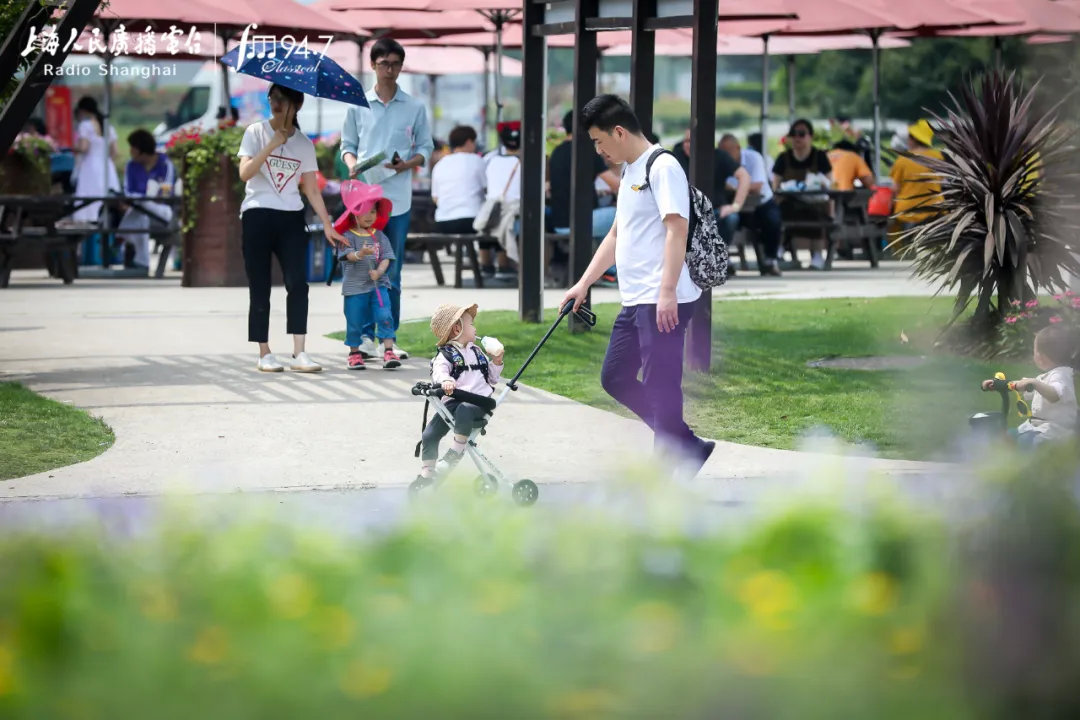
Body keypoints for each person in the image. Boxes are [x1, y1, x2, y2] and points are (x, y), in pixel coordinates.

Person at [561, 94, 715, 477]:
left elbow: (676, 229)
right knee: (614, 376)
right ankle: (684, 443)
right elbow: (617, 234)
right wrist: (583, 284)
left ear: (618, 131)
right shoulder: (631, 169)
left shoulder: (663, 168)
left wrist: (667, 294)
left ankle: (667, 469)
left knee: (663, 384)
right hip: (637, 299)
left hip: (663, 298)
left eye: (599, 141)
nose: (598, 150)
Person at [238, 83, 345, 373]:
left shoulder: (304, 144)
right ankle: (264, 352)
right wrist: (272, 144)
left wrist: (327, 224)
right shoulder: (255, 132)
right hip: (257, 214)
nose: (276, 103)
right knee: (260, 287)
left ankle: (300, 352)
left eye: (283, 99)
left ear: (296, 105)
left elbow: (311, 189)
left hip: (291, 217)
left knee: (298, 283)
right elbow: (245, 173)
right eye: (273, 98)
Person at [341, 37, 434, 361]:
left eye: (395, 64)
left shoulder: (414, 106)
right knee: (362, 267)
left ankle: (388, 339)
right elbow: (347, 145)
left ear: (401, 66)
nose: (390, 70)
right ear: (373, 65)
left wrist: (407, 164)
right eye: (384, 64)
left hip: (398, 199)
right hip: (363, 200)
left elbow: (425, 148)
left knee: (391, 269)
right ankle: (365, 337)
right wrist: (353, 166)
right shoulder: (357, 104)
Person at [419, 303, 505, 480]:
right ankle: (427, 474)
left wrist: (496, 362)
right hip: (452, 403)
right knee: (429, 434)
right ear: (457, 328)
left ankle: (455, 453)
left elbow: (492, 379)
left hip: (477, 404)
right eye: (471, 324)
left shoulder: (478, 352)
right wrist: (446, 381)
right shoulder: (446, 355)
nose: (475, 328)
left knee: (464, 410)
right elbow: (439, 371)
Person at [332, 181, 401, 371]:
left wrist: (379, 271)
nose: (370, 216)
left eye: (373, 211)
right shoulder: (347, 236)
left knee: (384, 315)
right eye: (365, 211)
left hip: (378, 286)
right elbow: (347, 256)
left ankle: (388, 350)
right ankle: (354, 353)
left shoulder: (379, 236)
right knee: (355, 320)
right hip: (355, 288)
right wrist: (360, 254)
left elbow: (387, 256)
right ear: (354, 212)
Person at [548, 110, 621, 283]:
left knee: (607, 220)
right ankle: (610, 271)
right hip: (579, 222)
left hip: (559, 222)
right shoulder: (585, 151)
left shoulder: (557, 152)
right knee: (618, 215)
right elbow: (617, 185)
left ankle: (605, 269)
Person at [981, 325, 1078, 447]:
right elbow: (1020, 385)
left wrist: (1035, 383)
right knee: (1009, 436)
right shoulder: (1044, 377)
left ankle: (1033, 463)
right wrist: (998, 383)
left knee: (1026, 441)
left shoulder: (1062, 375)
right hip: (1036, 426)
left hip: (1057, 429)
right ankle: (1008, 461)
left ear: (1040, 357)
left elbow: (1054, 395)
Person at [669, 128, 750, 252]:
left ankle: (720, 255)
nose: (686, 145)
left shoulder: (720, 156)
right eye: (685, 141)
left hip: (715, 211)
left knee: (731, 218)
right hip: (685, 212)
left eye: (691, 141)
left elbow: (744, 176)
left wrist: (735, 206)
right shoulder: (677, 156)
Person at [772, 118, 834, 270]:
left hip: (815, 203)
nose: (797, 138)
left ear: (810, 136)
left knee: (816, 214)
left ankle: (817, 255)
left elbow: (830, 184)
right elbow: (775, 186)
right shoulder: (783, 158)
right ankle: (778, 250)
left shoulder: (820, 157)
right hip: (789, 203)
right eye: (794, 134)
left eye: (801, 134)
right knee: (777, 213)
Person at [719, 134, 783, 276]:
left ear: (738, 148)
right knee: (723, 220)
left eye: (728, 151)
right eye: (722, 151)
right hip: (733, 203)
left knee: (773, 219)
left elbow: (757, 186)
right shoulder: (719, 161)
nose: (725, 156)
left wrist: (736, 188)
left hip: (760, 202)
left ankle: (770, 259)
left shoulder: (754, 158)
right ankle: (723, 259)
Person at [116, 129, 177, 271]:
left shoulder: (165, 164)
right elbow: (127, 191)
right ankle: (142, 262)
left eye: (133, 147)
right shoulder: (131, 166)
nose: (130, 151)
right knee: (142, 215)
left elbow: (167, 191)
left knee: (141, 203)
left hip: (162, 211)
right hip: (138, 211)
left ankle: (121, 235)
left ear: (141, 149)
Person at [479, 121, 523, 281]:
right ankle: (506, 265)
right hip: (515, 214)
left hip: (491, 211)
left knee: (491, 219)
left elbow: (484, 186)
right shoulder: (531, 160)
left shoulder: (490, 159)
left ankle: (486, 265)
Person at [69, 96, 119, 224]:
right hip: (107, 165)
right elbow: (115, 152)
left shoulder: (85, 125)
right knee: (106, 195)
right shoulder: (108, 126)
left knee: (89, 197)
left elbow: (84, 148)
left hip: (90, 166)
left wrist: (74, 148)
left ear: (83, 110)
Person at [430, 125, 486, 237]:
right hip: (472, 220)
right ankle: (483, 255)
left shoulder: (440, 164)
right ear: (469, 142)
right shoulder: (477, 160)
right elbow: (487, 189)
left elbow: (435, 198)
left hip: (443, 221)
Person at [890, 119, 943, 228]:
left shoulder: (903, 160)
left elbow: (895, 189)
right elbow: (941, 181)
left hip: (908, 213)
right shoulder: (938, 157)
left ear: (914, 138)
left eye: (909, 136)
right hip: (934, 211)